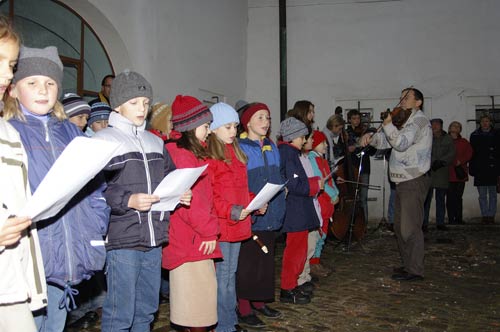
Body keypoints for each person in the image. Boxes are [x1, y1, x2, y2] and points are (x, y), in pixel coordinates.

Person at [5, 45, 110, 331]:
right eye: (32, 82)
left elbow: (96, 188)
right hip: (30, 253)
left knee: (55, 324)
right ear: (13, 90)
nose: (43, 89)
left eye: (50, 83)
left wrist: (96, 225)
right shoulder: (9, 132)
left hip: (68, 251)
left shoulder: (72, 133)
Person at [92, 70, 191, 332]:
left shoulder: (155, 143)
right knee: (121, 311)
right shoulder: (104, 140)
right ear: (118, 104)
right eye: (134, 102)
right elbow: (95, 191)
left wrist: (178, 193)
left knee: (147, 308)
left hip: (154, 237)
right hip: (123, 237)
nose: (141, 108)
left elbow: (169, 178)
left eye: (146, 103)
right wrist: (128, 199)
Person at [0, 16, 47, 332]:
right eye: (0, 61)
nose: (7, 73)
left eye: (11, 64)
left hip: (9, 278)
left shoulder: (7, 132)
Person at [360, 87, 431, 281]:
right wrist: (372, 138)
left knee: (410, 227)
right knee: (400, 227)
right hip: (401, 181)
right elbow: (387, 142)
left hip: (413, 179)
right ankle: (408, 265)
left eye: (406, 97)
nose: (401, 101)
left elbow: (401, 143)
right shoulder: (404, 119)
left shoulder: (419, 120)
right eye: (400, 98)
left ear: (418, 102)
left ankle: (415, 270)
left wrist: (388, 124)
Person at [165, 95, 222, 332]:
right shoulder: (185, 157)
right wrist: (210, 231)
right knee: (198, 308)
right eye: (206, 126)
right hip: (192, 241)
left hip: (189, 238)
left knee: (195, 306)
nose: (209, 132)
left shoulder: (185, 153)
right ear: (190, 126)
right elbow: (194, 204)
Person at [207, 102, 256, 332]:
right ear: (214, 128)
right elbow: (212, 196)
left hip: (238, 224)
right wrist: (232, 210)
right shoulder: (211, 157)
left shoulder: (236, 153)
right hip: (223, 225)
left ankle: (229, 321)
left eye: (235, 126)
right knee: (222, 279)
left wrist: (255, 200)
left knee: (229, 276)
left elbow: (240, 189)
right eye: (228, 127)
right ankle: (223, 325)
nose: (233, 131)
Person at [236, 102, 285, 328]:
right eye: (260, 118)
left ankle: (259, 301)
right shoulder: (241, 147)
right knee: (249, 263)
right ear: (247, 122)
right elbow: (238, 183)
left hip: (271, 213)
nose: (266, 122)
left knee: (265, 262)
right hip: (253, 213)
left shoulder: (271, 146)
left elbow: (278, 173)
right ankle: (244, 306)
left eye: (268, 117)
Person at [278, 117, 322, 304]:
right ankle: (287, 288)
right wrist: (314, 184)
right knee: (294, 252)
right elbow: (294, 182)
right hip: (295, 212)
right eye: (302, 136)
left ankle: (292, 284)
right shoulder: (288, 153)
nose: (304, 140)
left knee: (299, 250)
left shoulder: (291, 152)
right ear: (293, 137)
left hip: (299, 211)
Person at [307, 130, 339, 277]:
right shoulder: (313, 159)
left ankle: (317, 261)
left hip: (327, 203)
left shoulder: (322, 160)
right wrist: (333, 194)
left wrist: (336, 192)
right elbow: (320, 180)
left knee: (323, 234)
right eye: (323, 142)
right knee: (318, 234)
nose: (326, 145)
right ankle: (312, 263)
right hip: (321, 201)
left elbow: (329, 179)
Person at [423, 118, 455, 231]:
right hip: (429, 171)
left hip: (442, 172)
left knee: (440, 199)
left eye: (437, 124)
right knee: (426, 200)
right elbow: (423, 151)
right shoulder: (426, 137)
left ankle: (440, 222)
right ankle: (424, 223)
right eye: (433, 125)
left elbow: (451, 153)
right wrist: (432, 162)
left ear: (441, 126)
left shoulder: (448, 139)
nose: (435, 126)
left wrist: (442, 162)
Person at [469, 113, 500, 224]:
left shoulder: (497, 134)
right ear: (480, 123)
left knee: (492, 194)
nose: (485, 123)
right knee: (482, 195)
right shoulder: (474, 135)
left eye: (487, 121)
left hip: (493, 168)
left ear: (490, 122)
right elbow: (472, 153)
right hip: (480, 169)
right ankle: (485, 215)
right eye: (482, 121)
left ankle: (491, 215)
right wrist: (472, 169)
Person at [346, 109, 375, 222]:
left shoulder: (365, 132)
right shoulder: (346, 133)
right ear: (349, 120)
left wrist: (364, 144)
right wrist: (349, 148)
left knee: (363, 198)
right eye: (354, 118)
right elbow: (341, 150)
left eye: (358, 118)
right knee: (353, 198)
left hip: (364, 167)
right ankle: (353, 223)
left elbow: (372, 151)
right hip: (351, 167)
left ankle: (365, 224)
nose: (357, 121)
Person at [446, 121, 473, 225]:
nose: (455, 127)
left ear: (460, 130)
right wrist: (452, 161)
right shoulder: (445, 140)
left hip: (460, 174)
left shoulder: (464, 142)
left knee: (458, 197)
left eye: (458, 126)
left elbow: (469, 153)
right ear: (449, 128)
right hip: (448, 174)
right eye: (453, 125)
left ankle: (458, 218)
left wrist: (460, 161)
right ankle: (451, 219)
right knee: (449, 197)